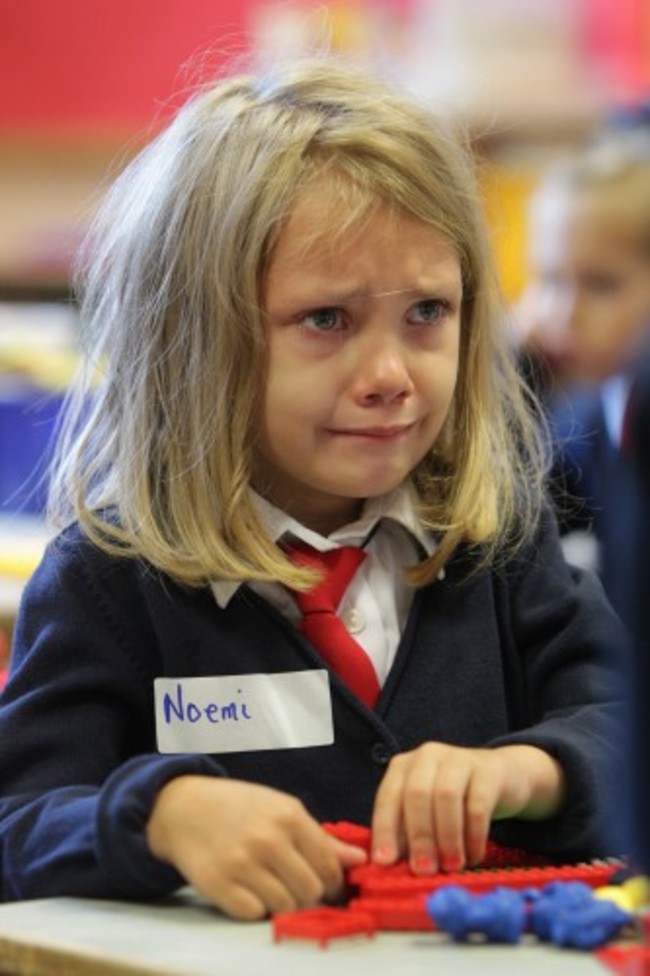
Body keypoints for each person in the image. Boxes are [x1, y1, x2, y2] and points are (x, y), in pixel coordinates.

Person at [0, 57, 626, 921]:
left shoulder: (498, 539)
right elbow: (17, 826)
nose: (389, 375)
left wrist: (531, 770)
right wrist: (160, 816)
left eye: (427, 314)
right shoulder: (110, 580)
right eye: (326, 320)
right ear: (198, 339)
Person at [515, 120, 650, 625]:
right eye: (549, 279)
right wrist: (514, 357)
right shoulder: (576, 425)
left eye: (600, 284)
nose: (564, 313)